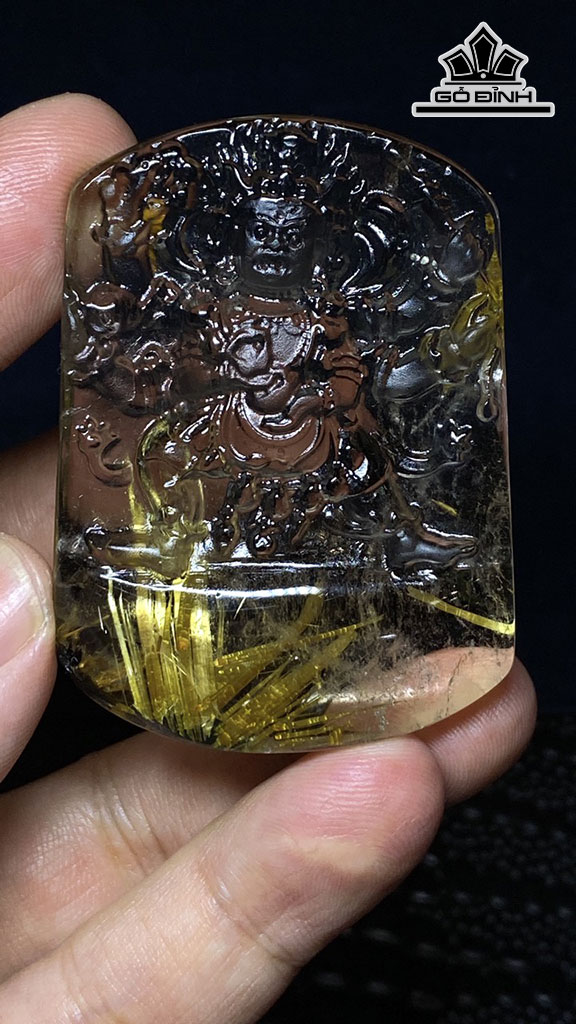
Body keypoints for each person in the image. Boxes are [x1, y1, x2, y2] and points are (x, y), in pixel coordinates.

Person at [0, 94, 536, 1022]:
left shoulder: (330, 332)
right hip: (227, 451)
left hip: (318, 450)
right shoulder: (211, 332)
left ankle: (394, 543)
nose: (279, 244)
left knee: (363, 457)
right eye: (267, 232)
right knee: (183, 464)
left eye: (293, 233)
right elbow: (175, 374)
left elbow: (358, 385)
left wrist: (334, 396)